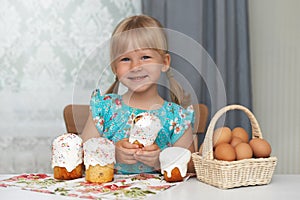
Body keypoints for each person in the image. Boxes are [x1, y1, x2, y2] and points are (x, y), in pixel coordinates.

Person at [81, 15, 195, 174]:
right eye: (126, 59)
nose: (135, 67)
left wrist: (160, 161)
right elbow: (80, 156)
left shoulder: (177, 118)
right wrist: (112, 154)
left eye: (145, 57)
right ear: (115, 67)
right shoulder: (104, 109)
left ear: (164, 62)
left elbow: (191, 167)